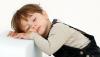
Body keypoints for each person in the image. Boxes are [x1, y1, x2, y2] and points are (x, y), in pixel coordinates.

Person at [8, 4, 100, 57]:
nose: (34, 26)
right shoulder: (46, 36)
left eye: (34, 19)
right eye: (28, 28)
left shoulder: (58, 28)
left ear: (45, 14)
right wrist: (20, 35)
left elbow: (49, 49)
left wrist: (32, 35)